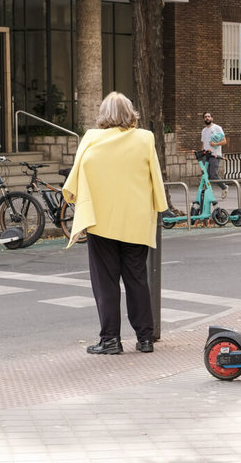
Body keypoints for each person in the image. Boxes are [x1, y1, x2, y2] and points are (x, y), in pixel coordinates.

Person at [63, 92, 168, 355]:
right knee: (137, 279)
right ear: (130, 113)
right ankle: (144, 338)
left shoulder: (90, 139)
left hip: (101, 220)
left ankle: (110, 340)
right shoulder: (145, 138)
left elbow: (75, 178)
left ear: (103, 115)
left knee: (106, 282)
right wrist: (160, 207)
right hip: (136, 220)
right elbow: (156, 177)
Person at [200, 111, 228, 199]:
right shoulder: (204, 130)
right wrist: (201, 154)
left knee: (213, 175)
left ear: (212, 118)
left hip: (215, 155)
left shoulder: (217, 128)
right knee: (205, 174)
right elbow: (203, 143)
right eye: (205, 117)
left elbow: (224, 141)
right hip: (206, 155)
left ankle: (224, 187)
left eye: (209, 116)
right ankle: (207, 193)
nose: (207, 118)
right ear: (204, 119)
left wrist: (215, 144)